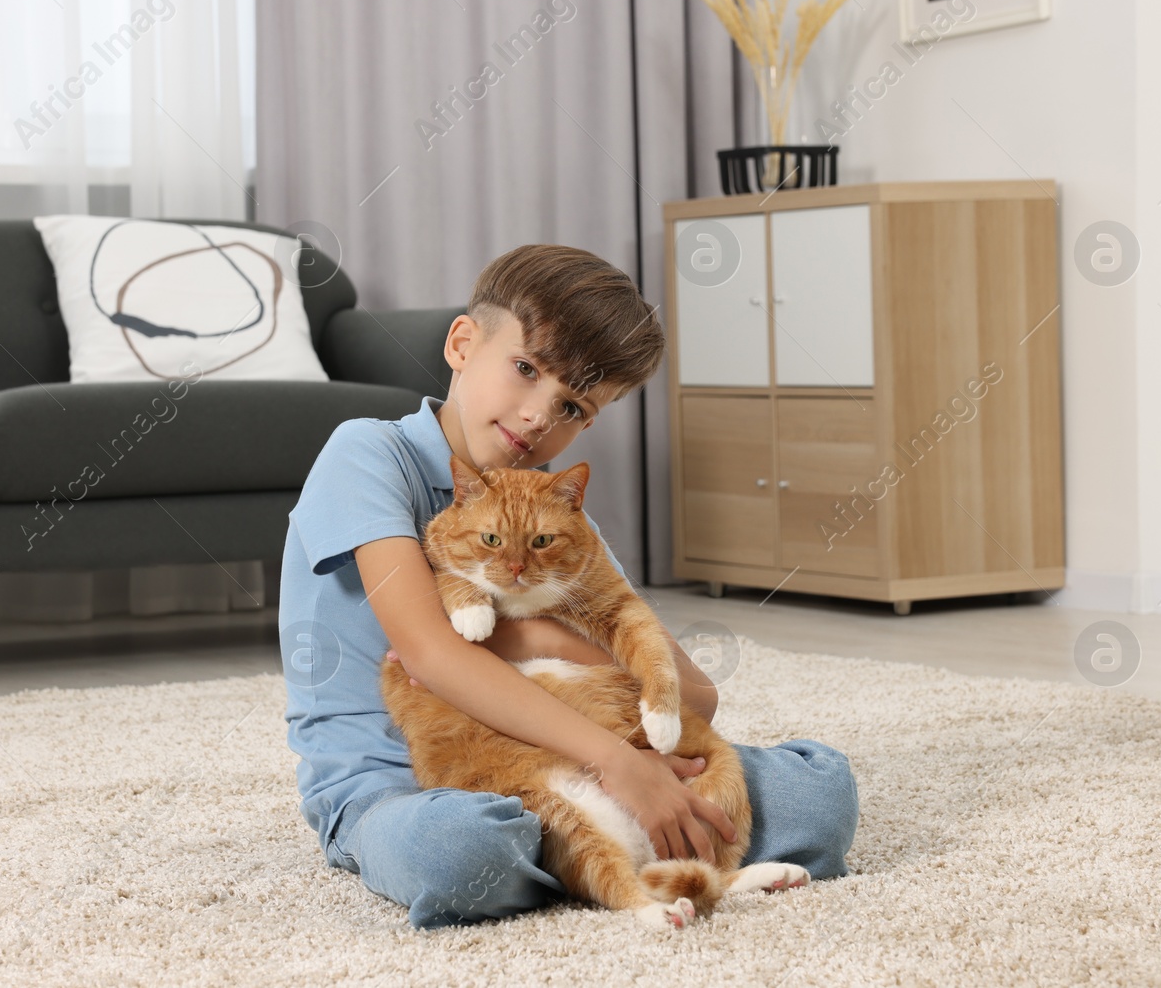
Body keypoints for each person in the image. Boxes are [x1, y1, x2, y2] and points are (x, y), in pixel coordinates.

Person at [278, 244, 858, 929]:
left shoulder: (553, 512)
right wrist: (619, 761)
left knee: (820, 796)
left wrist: (542, 640)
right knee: (458, 848)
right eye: (525, 370)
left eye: (573, 406)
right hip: (407, 783)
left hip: (578, 758)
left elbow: (695, 692)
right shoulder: (369, 453)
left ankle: (583, 855)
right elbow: (432, 655)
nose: (537, 417)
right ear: (463, 342)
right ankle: (597, 850)